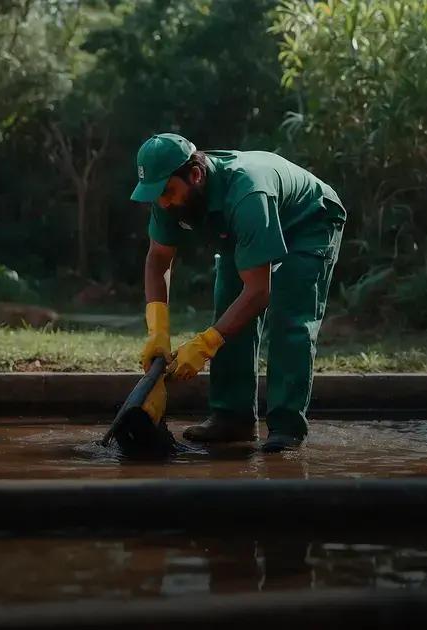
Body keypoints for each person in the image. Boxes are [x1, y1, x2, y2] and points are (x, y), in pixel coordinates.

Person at [131, 133, 346, 453]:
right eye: (156, 195)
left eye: (167, 193)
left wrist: (204, 345)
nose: (163, 202)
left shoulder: (247, 192)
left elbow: (260, 292)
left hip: (308, 221)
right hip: (244, 229)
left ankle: (286, 427)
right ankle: (233, 418)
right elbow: (158, 258)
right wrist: (157, 331)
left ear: (196, 175)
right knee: (229, 308)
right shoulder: (168, 195)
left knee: (290, 317)